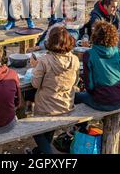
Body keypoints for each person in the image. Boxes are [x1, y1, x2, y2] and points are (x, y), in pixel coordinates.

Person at [26, 26, 80, 154]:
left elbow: (35, 84)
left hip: (46, 109)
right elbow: (75, 82)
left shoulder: (45, 61)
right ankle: (38, 152)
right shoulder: (75, 59)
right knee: (47, 124)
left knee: (31, 128)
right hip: (66, 105)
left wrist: (35, 67)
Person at [75, 21, 120, 111]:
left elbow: (89, 87)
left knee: (75, 96)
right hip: (119, 98)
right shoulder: (116, 51)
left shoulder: (89, 54)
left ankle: (80, 125)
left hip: (102, 101)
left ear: (95, 35)